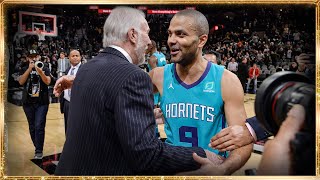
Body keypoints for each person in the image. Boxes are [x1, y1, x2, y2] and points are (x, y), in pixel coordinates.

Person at [54, 7, 219, 176]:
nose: (149, 42)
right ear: (133, 35)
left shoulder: (87, 68)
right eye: (146, 33)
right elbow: (146, 155)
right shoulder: (134, 77)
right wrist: (201, 154)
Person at [149, 9, 252, 175]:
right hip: (171, 169)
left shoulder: (226, 80)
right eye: (170, 34)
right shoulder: (157, 76)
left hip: (211, 169)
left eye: (180, 34)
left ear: (201, 40)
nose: (171, 40)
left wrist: (223, 169)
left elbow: (243, 142)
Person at [18, 49, 51, 159]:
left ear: (38, 57)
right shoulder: (23, 67)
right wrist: (29, 69)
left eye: (35, 56)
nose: (33, 58)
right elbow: (21, 82)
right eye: (31, 57)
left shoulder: (44, 67)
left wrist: (40, 71)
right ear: (28, 58)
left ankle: (38, 150)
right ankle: (37, 146)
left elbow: (48, 81)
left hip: (42, 102)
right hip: (28, 103)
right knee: (32, 127)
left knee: (39, 125)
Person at [59, 49, 81, 134]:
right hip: (67, 103)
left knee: (79, 127)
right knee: (68, 128)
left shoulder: (85, 69)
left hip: (79, 103)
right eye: (73, 56)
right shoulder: (67, 70)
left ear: (80, 57)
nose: (75, 57)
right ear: (69, 58)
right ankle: (68, 146)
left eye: (77, 56)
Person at [146, 40, 167, 107]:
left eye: (147, 45)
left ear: (151, 46)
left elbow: (155, 76)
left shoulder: (152, 58)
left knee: (154, 107)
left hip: (155, 85)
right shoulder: (162, 55)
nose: (145, 47)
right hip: (163, 83)